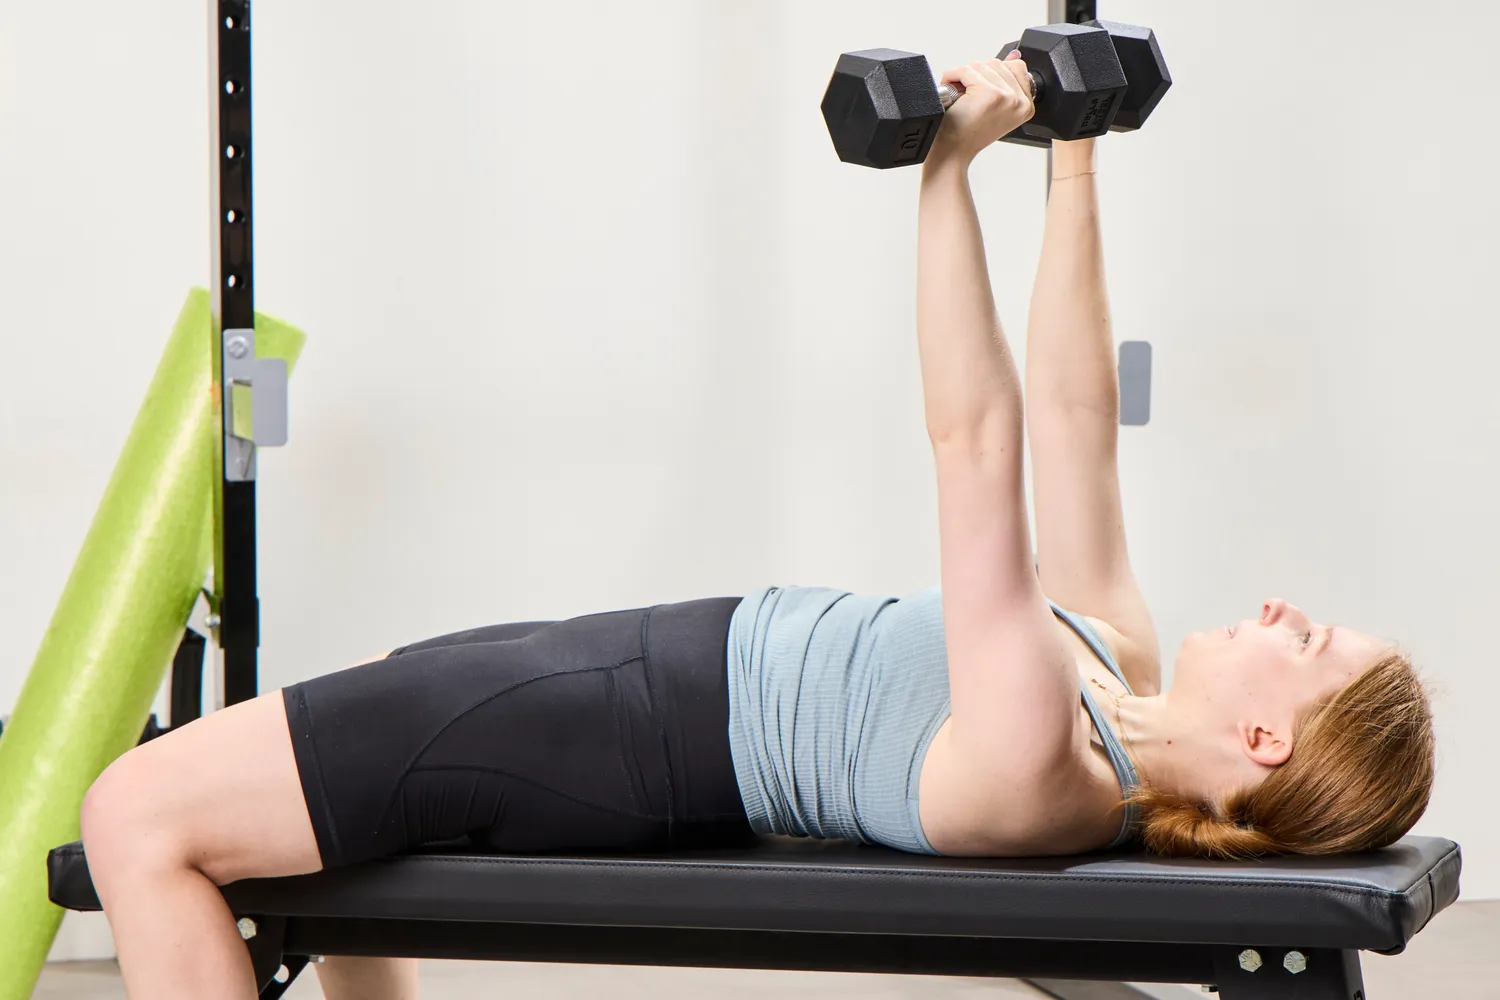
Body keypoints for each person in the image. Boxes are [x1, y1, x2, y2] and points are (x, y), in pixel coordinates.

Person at [77, 53, 1434, 1000]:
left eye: (1304, 639)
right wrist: (1070, 157)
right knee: (345, 775)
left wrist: (946, 179)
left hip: (618, 731)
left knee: (138, 814)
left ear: (1265, 744)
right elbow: (1076, 420)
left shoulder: (1044, 766)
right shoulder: (1110, 668)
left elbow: (979, 453)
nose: (1275, 608)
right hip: (631, 677)